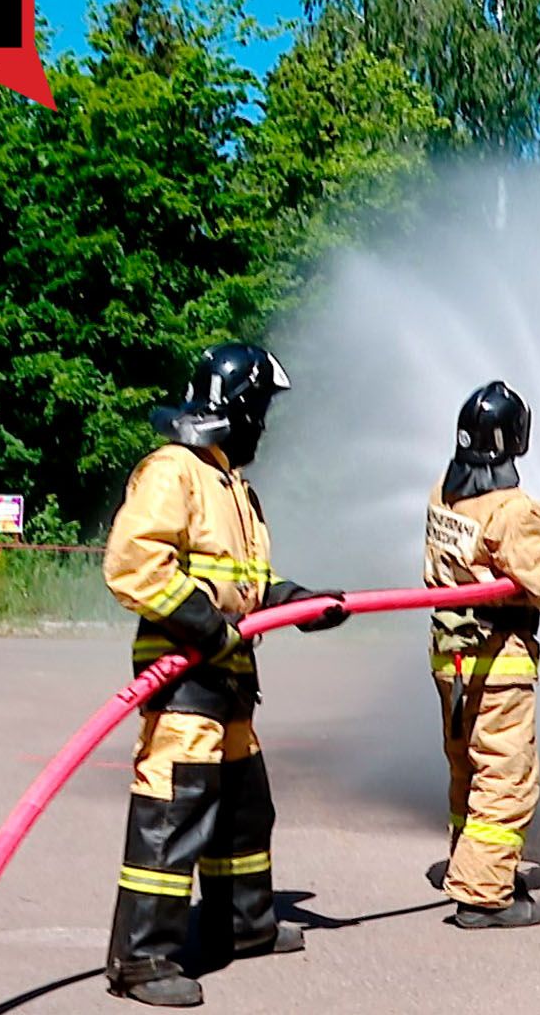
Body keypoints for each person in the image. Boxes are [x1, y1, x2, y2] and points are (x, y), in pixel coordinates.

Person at [102, 342, 349, 1007]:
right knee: (174, 812)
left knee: (244, 809)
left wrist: (298, 602)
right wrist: (206, 627)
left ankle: (240, 926)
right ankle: (141, 960)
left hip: (231, 680)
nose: (263, 424)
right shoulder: (173, 471)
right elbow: (132, 564)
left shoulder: (229, 484)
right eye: (260, 409)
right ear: (235, 409)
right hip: (182, 681)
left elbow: (245, 585)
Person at [422, 380, 540, 928]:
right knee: (506, 773)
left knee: (467, 765)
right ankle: (484, 895)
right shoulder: (511, 513)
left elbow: (488, 541)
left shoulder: (444, 492)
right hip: (499, 658)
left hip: (452, 656)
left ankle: (471, 863)